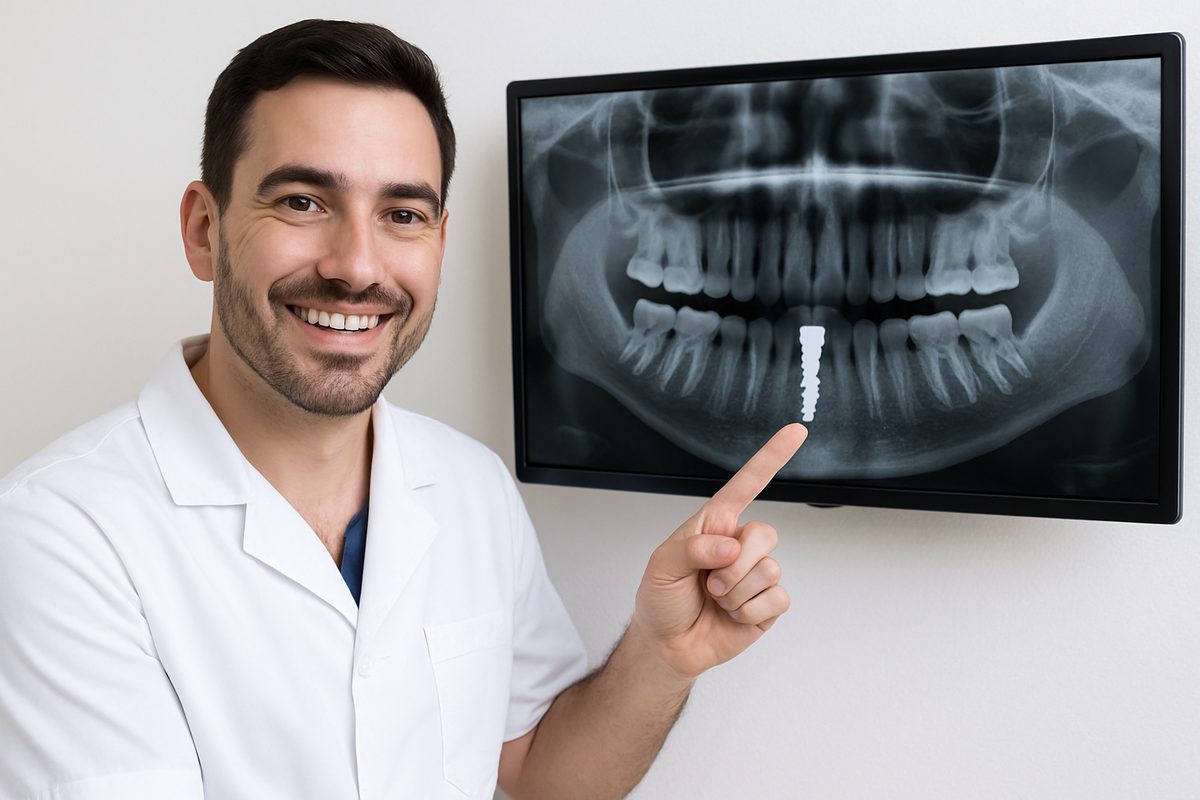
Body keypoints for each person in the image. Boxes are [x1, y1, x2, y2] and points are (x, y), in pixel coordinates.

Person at [0, 19, 806, 800]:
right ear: (204, 229)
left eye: (402, 215)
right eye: (303, 202)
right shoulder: (60, 536)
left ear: (441, 242)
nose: (356, 267)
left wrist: (660, 656)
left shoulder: (469, 487)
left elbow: (542, 770)